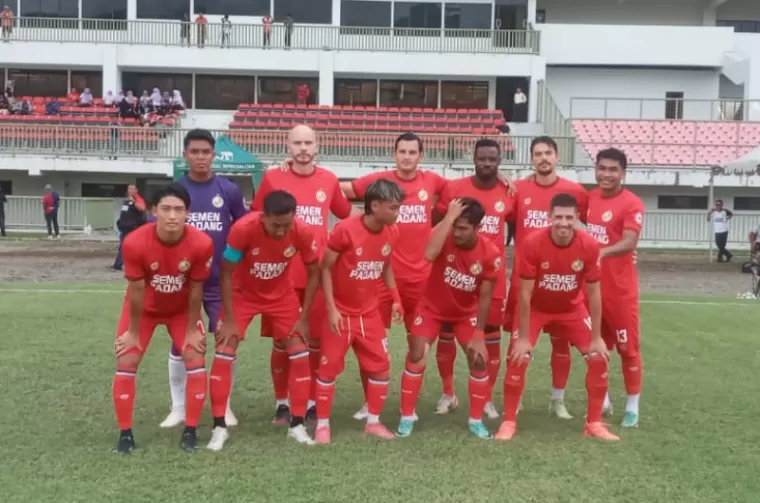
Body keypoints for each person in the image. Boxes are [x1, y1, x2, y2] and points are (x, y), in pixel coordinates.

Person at [339, 132, 447, 422]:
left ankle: (409, 403)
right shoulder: (379, 182)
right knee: (370, 342)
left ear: (421, 156)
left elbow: (463, 192)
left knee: (419, 342)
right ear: (394, 153)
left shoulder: (433, 182)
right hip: (379, 278)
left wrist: (502, 179)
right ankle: (368, 401)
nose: (407, 156)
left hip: (420, 279)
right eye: (402, 151)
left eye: (413, 152)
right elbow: (340, 191)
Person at [495, 192, 619, 442]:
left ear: (577, 219)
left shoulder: (589, 246)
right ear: (549, 217)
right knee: (518, 357)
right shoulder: (532, 243)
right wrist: (522, 338)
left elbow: (594, 295)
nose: (563, 222)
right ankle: (508, 421)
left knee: (598, 357)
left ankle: (594, 423)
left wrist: (596, 338)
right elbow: (525, 294)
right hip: (536, 309)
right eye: (559, 217)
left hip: (572, 309)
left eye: (569, 217)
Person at [252, 124, 353, 424]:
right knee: (282, 343)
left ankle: (309, 401)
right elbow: (257, 215)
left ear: (317, 146)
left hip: (317, 275)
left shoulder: (329, 179)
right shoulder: (273, 178)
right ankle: (282, 403)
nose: (303, 148)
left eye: (308, 142)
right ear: (288, 146)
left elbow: (345, 213)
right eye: (297, 143)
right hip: (279, 276)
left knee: (314, 341)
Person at [207, 191, 320, 450]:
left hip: (281, 296)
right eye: (275, 225)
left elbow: (314, 271)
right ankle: (218, 427)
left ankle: (297, 424)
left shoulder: (301, 231)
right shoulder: (244, 229)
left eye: (286, 225)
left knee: (300, 352)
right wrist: (230, 319)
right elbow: (225, 273)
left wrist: (303, 317)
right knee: (225, 349)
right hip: (242, 294)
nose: (281, 231)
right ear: (263, 217)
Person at [111, 183, 214, 454]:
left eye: (178, 210)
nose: (172, 216)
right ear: (154, 210)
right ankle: (125, 434)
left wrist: (192, 329)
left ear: (188, 213)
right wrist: (132, 332)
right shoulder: (135, 242)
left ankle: (190, 430)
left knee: (195, 356)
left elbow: (195, 289)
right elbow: (135, 290)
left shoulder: (201, 243)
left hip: (181, 311)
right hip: (143, 310)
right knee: (127, 357)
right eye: (166, 209)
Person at [160, 129, 247, 430]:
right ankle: (179, 407)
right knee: (181, 344)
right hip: (184, 285)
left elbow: (243, 229)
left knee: (227, 342)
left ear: (213, 154)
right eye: (194, 152)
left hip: (220, 284)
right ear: (185, 155)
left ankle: (225, 405)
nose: (200, 157)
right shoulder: (175, 190)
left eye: (205, 152)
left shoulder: (229, 190)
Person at [397, 197, 500, 439]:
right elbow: (430, 254)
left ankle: (476, 420)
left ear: (477, 228)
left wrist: (479, 335)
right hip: (430, 308)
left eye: (462, 228)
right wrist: (448, 218)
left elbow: (485, 297)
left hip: (465, 313)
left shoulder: (490, 253)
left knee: (478, 360)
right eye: (455, 225)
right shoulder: (444, 233)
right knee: (416, 354)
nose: (456, 232)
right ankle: (406, 416)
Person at [503, 136, 589, 420]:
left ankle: (557, 399)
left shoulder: (575, 191)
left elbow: (593, 226)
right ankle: (514, 403)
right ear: (531, 159)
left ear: (557, 156)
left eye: (548, 153)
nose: (543, 158)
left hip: (564, 284)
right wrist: (504, 178)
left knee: (561, 343)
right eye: (538, 153)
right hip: (525, 284)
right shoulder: (518, 190)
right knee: (518, 344)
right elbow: (497, 210)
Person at [314, 179, 404, 444]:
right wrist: (331, 309)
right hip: (340, 311)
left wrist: (396, 298)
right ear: (374, 206)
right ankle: (322, 426)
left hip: (369, 313)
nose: (397, 213)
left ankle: (373, 422)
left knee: (381, 366)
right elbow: (325, 268)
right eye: (394, 207)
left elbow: (385, 264)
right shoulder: (345, 230)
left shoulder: (392, 231)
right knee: (328, 369)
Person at [432, 138, 513, 419]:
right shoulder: (455, 189)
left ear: (499, 160)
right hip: (453, 277)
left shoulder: (510, 191)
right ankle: (447, 393)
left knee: (490, 339)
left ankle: (487, 398)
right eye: (482, 158)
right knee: (446, 335)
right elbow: (436, 220)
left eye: (492, 159)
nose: (487, 164)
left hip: (492, 279)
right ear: (474, 158)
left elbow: (515, 225)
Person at [586, 148, 645, 428]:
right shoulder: (588, 199)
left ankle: (632, 406)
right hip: (593, 291)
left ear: (623, 173)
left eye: (612, 170)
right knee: (597, 348)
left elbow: (630, 241)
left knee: (628, 349)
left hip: (620, 292)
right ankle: (604, 397)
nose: (606, 174)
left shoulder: (631, 203)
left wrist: (601, 252)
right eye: (602, 168)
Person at [113, 184, 146, 271]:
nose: (130, 191)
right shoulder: (127, 201)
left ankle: (118, 265)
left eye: (132, 189)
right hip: (124, 228)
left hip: (133, 229)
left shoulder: (138, 199)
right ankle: (118, 264)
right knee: (123, 246)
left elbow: (142, 208)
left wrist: (134, 202)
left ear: (136, 190)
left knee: (126, 246)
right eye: (129, 189)